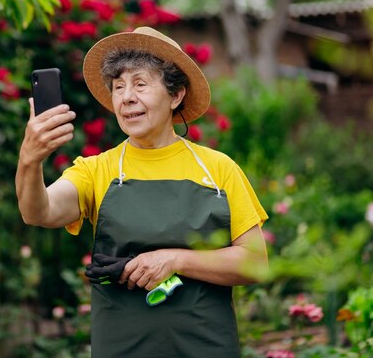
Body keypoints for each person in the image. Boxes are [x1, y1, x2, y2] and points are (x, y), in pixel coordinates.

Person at [15, 26, 269, 358]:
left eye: (140, 84)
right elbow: (39, 211)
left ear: (175, 95)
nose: (126, 97)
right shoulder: (97, 170)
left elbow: (255, 263)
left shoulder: (218, 169)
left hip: (207, 347)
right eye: (118, 87)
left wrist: (175, 260)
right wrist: (29, 160)